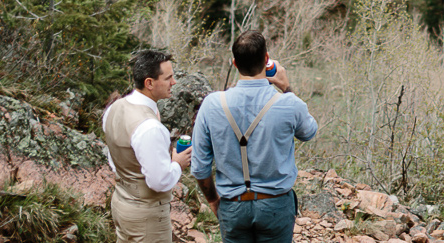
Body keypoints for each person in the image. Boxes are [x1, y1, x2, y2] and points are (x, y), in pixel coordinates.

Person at [191, 29, 317, 243]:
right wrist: (287, 87)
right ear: (267, 60)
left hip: (232, 206)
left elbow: (199, 166)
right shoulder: (289, 104)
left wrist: (213, 201)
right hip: (276, 205)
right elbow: (309, 131)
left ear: (234, 63)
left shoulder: (212, 105)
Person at [102, 48, 193, 243]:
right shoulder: (150, 127)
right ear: (149, 83)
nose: (174, 82)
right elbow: (158, 182)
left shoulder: (114, 109)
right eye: (168, 78)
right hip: (147, 216)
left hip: (121, 202)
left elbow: (114, 159)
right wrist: (178, 163)